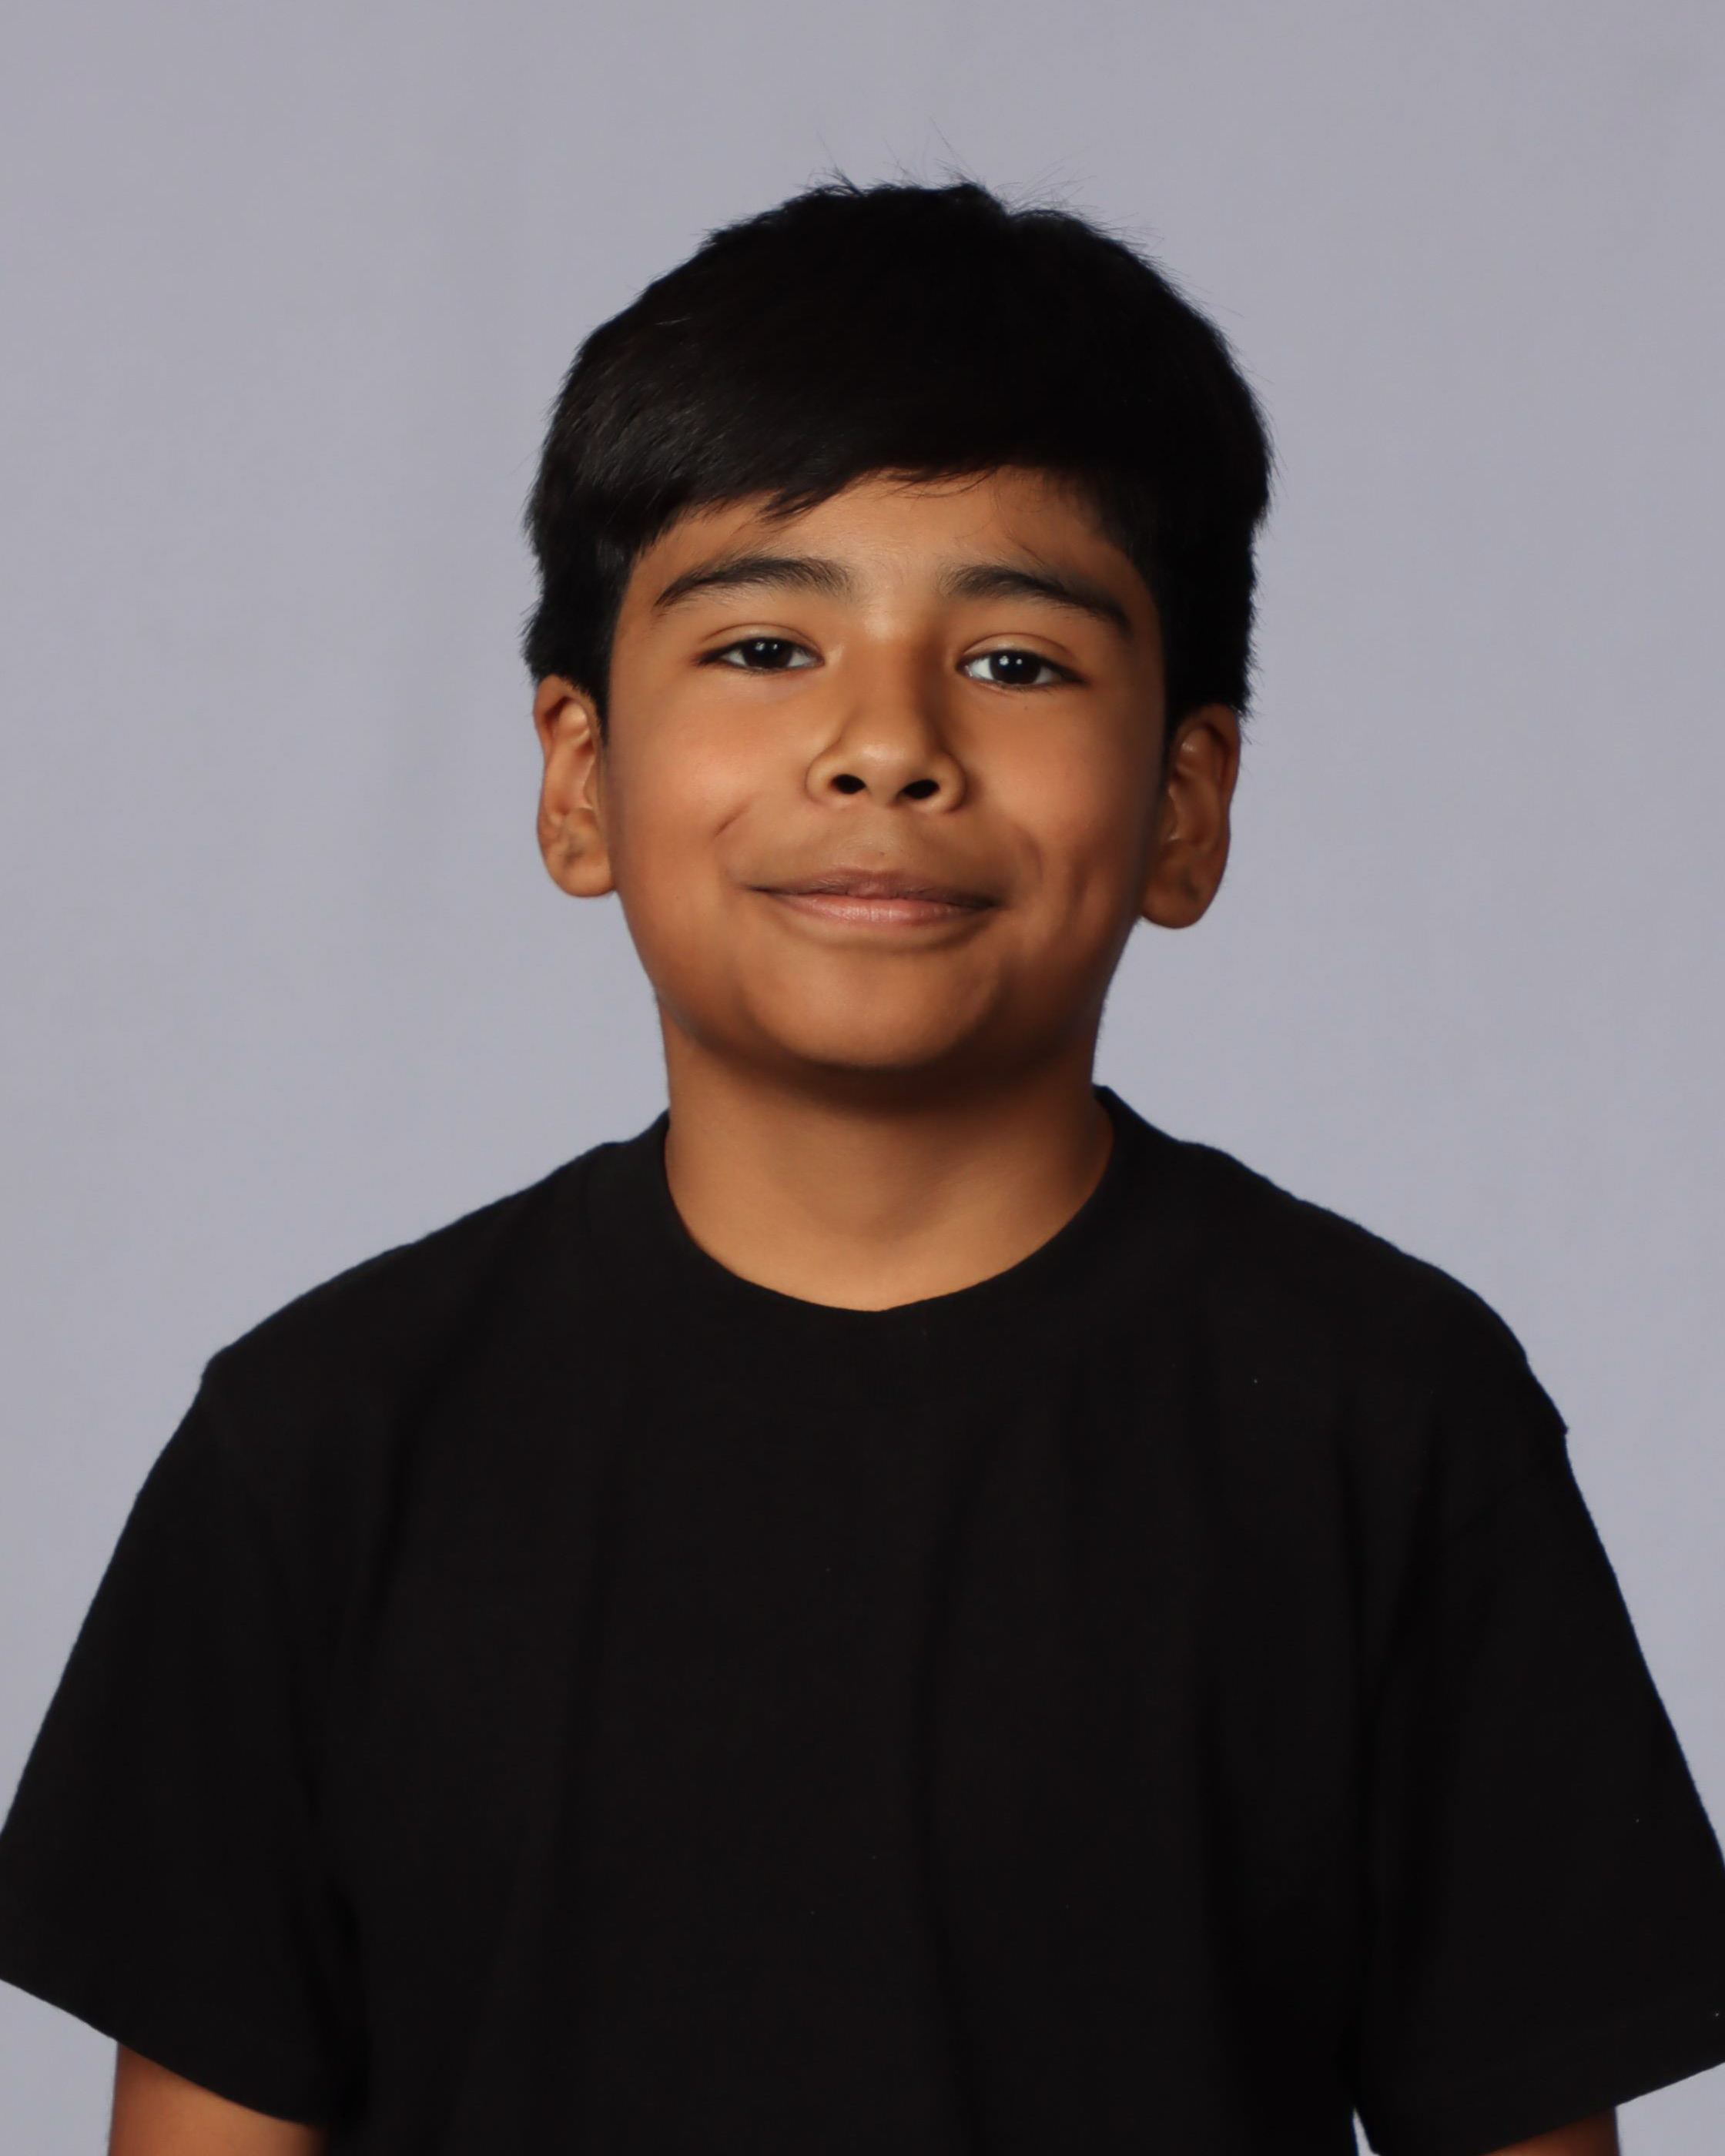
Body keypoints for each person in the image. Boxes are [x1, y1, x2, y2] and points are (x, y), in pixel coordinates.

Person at [2, 175, 1722, 2156]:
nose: (884, 743)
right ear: (579, 775)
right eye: (762, 645)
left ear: (1185, 803)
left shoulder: (1386, 1420)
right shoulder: (321, 1445)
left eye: (1015, 662)